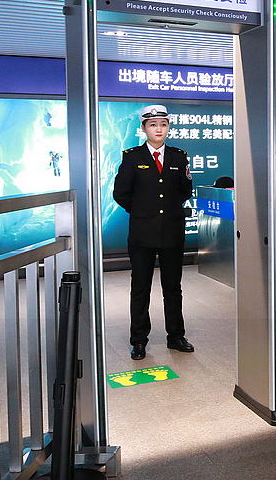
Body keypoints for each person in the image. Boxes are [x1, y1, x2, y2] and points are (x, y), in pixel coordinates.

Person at [113, 105, 195, 361]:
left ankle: (176, 336)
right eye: (153, 125)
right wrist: (142, 211)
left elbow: (185, 190)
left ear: (168, 127)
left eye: (163, 124)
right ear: (143, 128)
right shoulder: (132, 157)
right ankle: (139, 340)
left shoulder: (179, 157)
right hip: (142, 233)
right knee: (140, 287)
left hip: (172, 230)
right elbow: (120, 193)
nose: (159, 129)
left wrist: (165, 211)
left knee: (173, 287)